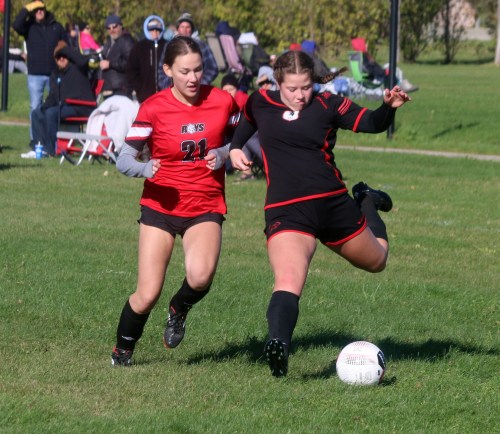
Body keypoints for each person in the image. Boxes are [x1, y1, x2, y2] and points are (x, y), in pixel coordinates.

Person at [229, 49, 411, 377]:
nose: (300, 95)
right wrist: (235, 148)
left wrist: (388, 107)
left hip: (333, 205)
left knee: (378, 260)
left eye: (306, 87)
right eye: (292, 89)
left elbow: (370, 123)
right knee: (288, 278)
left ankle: (366, 199)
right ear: (277, 82)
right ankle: (279, 346)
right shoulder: (260, 101)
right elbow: (245, 124)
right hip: (287, 209)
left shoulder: (328, 104)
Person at [110, 36, 240, 366]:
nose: (193, 78)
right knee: (147, 293)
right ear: (168, 70)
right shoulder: (153, 107)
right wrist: (144, 168)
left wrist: (224, 153)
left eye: (198, 70)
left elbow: (242, 137)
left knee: (200, 277)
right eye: (184, 71)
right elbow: (123, 159)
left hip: (205, 204)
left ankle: (179, 308)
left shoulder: (223, 101)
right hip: (160, 207)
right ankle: (122, 351)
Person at [13, 0, 66, 155]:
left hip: (53, 73)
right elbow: (16, 25)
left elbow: (65, 43)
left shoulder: (56, 26)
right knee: (35, 107)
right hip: (35, 73)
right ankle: (35, 139)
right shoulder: (29, 26)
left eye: (41, 9)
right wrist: (26, 9)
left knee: (54, 107)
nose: (39, 12)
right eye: (36, 10)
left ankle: (55, 139)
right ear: (32, 12)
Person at [25, 41, 95, 158]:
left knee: (51, 113)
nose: (61, 59)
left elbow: (84, 60)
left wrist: (64, 49)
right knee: (37, 113)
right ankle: (39, 147)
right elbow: (53, 96)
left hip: (82, 107)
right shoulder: (56, 74)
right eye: (58, 57)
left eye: (64, 56)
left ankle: (51, 150)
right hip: (66, 107)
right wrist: (43, 107)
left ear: (69, 56)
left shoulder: (78, 68)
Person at [157, 12, 218, 90]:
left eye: (188, 27)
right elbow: (161, 70)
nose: (185, 30)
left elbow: (212, 68)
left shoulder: (202, 45)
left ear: (192, 29)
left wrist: (199, 84)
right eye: (182, 27)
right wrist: (167, 86)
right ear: (178, 28)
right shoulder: (168, 46)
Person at [351, 37, 418, 92]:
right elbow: (370, 70)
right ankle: (403, 86)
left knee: (389, 66)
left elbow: (370, 68)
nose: (366, 45)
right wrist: (384, 72)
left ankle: (402, 85)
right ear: (360, 45)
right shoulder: (364, 57)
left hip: (368, 77)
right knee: (394, 69)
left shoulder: (356, 56)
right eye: (365, 44)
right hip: (374, 78)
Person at [126, 15, 167, 103]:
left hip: (165, 95)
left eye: (158, 29)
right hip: (145, 96)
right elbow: (131, 70)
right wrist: (139, 88)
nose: (155, 32)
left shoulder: (167, 46)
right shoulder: (139, 47)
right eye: (152, 29)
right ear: (147, 30)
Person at [99, 14, 135, 99]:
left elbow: (130, 64)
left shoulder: (126, 41)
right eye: (108, 28)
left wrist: (110, 64)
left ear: (120, 26)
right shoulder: (109, 42)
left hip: (121, 90)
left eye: (114, 26)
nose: (112, 30)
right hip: (109, 90)